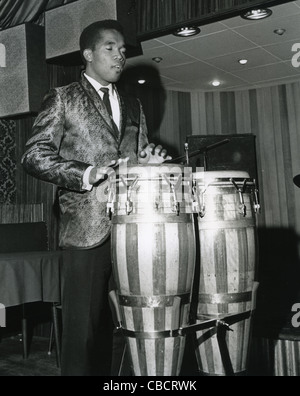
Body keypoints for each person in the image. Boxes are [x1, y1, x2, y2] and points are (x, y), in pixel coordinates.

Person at [21, 19, 171, 376]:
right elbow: (34, 156)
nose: (120, 56)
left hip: (132, 230)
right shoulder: (63, 98)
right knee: (82, 334)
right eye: (110, 48)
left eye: (123, 50)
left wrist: (147, 163)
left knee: (129, 325)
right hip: (86, 232)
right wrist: (85, 174)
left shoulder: (134, 105)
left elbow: (135, 158)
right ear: (88, 54)